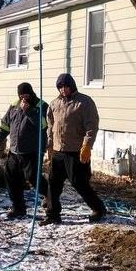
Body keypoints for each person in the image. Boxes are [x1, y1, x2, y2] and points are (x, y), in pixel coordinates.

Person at [41, 73, 106, 225]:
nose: (63, 89)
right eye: (60, 87)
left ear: (72, 86)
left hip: (75, 151)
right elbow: (50, 127)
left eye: (66, 86)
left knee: (79, 183)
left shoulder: (84, 102)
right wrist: (49, 146)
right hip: (58, 152)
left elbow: (92, 126)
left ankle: (98, 208)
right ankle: (52, 214)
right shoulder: (54, 104)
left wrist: (87, 146)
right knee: (53, 184)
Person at [0, 82, 48, 219]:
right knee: (11, 178)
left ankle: (49, 195)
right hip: (14, 151)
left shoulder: (40, 106)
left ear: (31, 93)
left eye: (27, 95)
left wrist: (28, 111)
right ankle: (18, 207)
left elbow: (44, 126)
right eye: (21, 95)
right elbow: (5, 125)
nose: (24, 98)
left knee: (33, 178)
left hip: (32, 151)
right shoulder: (14, 105)